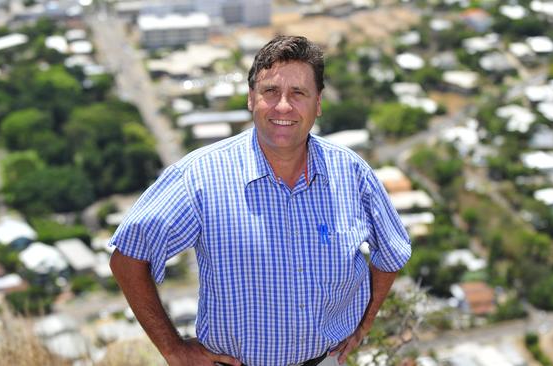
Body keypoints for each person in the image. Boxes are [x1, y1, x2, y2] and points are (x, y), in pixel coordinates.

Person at [109, 35, 411, 366]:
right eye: (270, 92)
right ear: (251, 99)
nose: (283, 106)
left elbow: (392, 250)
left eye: (299, 93)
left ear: (318, 103)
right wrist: (173, 348)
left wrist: (364, 324)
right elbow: (128, 258)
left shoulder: (351, 173)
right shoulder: (199, 177)